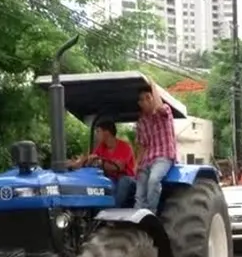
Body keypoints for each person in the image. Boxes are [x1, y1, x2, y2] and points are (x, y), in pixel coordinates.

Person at [68, 121, 136, 207]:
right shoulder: (101, 147)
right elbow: (91, 159)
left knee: (123, 181)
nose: (96, 134)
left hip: (128, 180)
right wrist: (81, 163)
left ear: (106, 133)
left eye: (98, 131)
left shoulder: (125, 146)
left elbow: (119, 167)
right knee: (100, 182)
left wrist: (100, 163)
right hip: (112, 179)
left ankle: (113, 212)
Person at [134, 83, 177, 211]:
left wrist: (152, 83)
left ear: (152, 98)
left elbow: (159, 107)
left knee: (153, 181)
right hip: (147, 159)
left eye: (146, 98)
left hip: (164, 157)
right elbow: (142, 145)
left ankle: (150, 215)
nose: (142, 102)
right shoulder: (141, 121)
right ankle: (136, 222)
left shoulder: (165, 111)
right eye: (140, 100)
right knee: (139, 192)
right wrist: (136, 165)